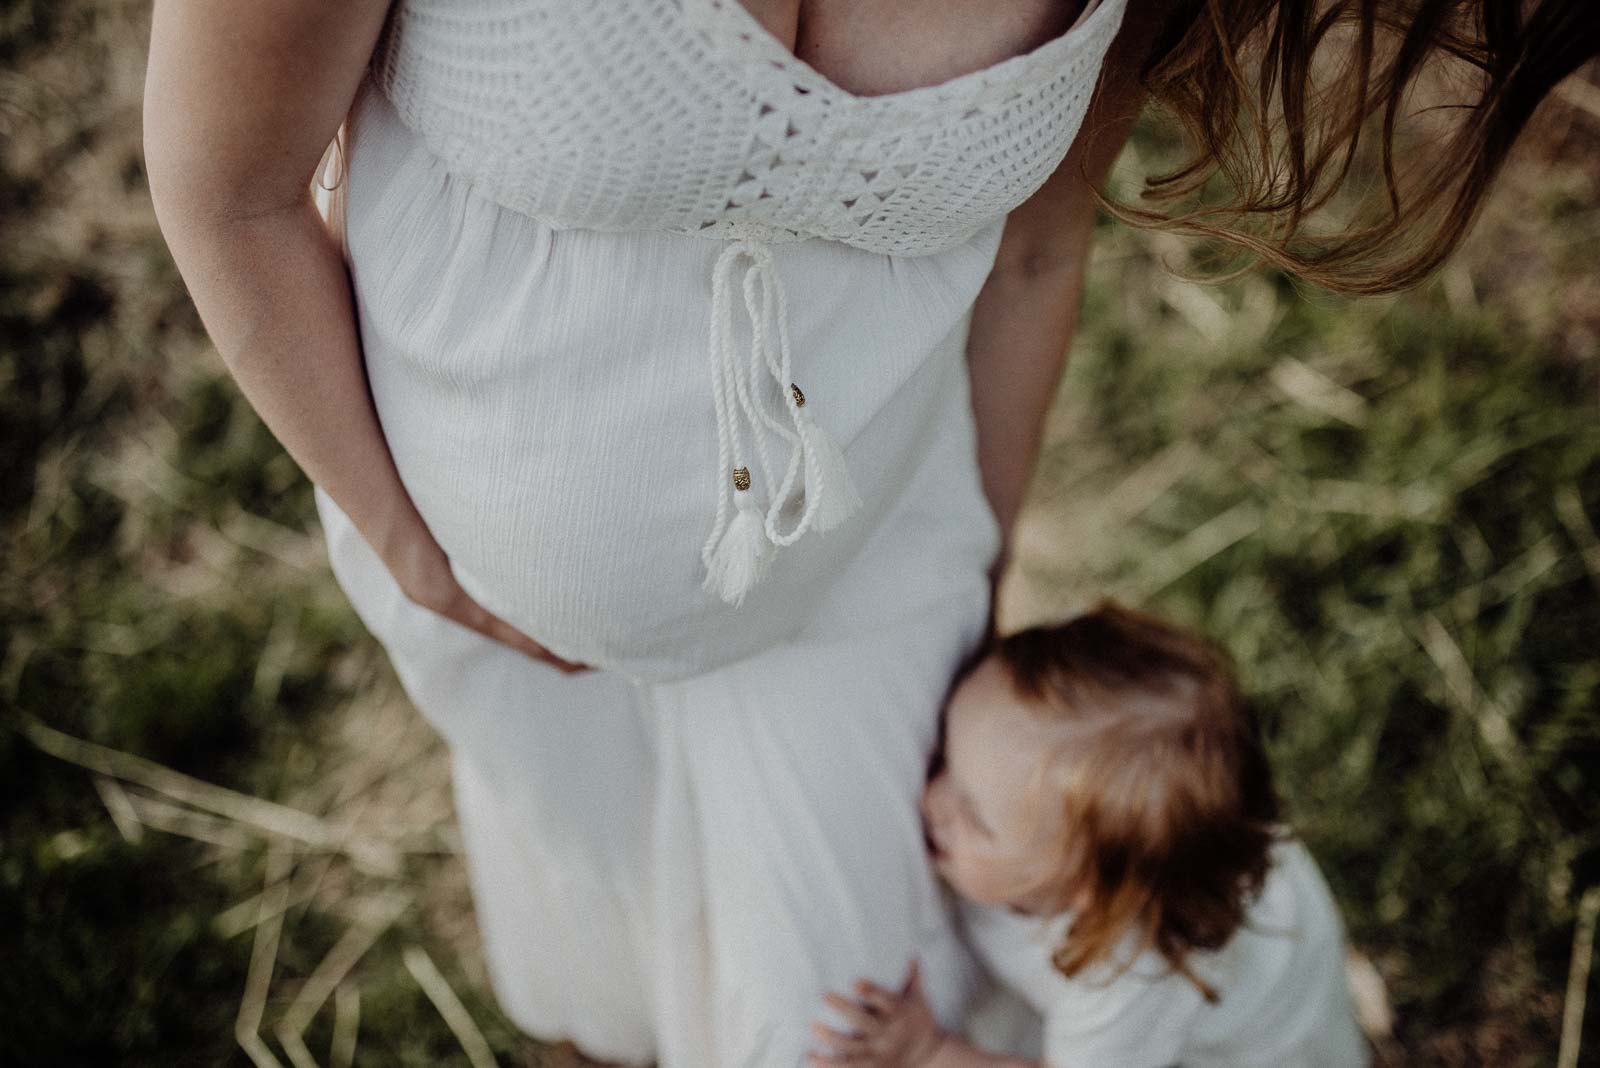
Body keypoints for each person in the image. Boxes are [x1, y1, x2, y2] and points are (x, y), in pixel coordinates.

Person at [139, 0, 1592, 1065]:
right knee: (611, 922)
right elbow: (230, 188)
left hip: (875, 577)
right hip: (479, 597)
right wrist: (404, 537)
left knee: (833, 1027)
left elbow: (1034, 250)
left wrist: (977, 567)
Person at [812, 601, 1369, 1068]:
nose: (931, 800)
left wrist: (930, 1052)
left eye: (975, 819)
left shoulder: (1126, 975)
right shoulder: (1054, 834)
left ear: (1085, 891)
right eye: (944, 754)